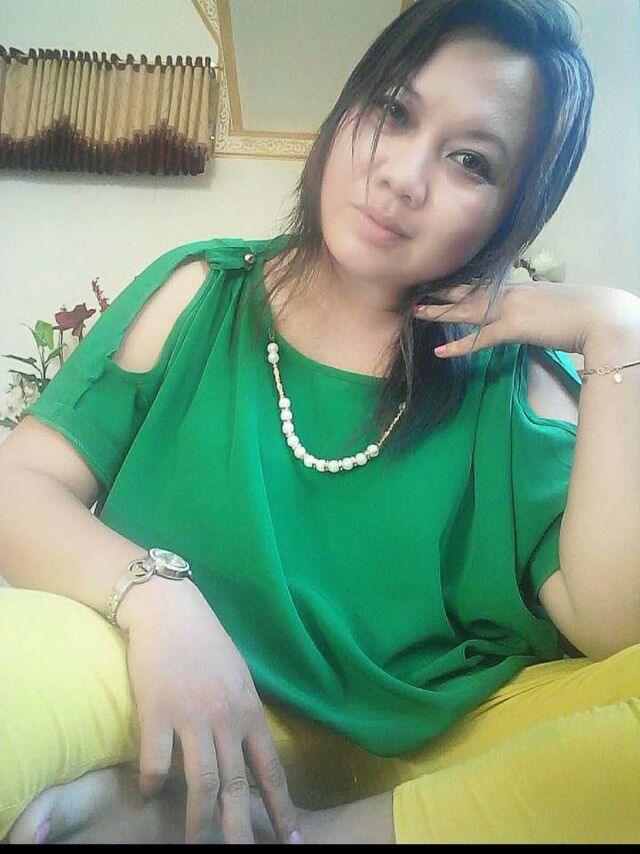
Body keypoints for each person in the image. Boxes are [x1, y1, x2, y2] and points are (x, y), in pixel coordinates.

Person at [1, 0, 639, 844]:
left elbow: (614, 628)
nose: (403, 177)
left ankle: (301, 832)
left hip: (434, 756)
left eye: (471, 162)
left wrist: (618, 332)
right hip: (168, 675)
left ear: (512, 212)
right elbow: (20, 485)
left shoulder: (516, 383)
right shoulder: (200, 294)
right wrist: (157, 597)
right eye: (394, 111)